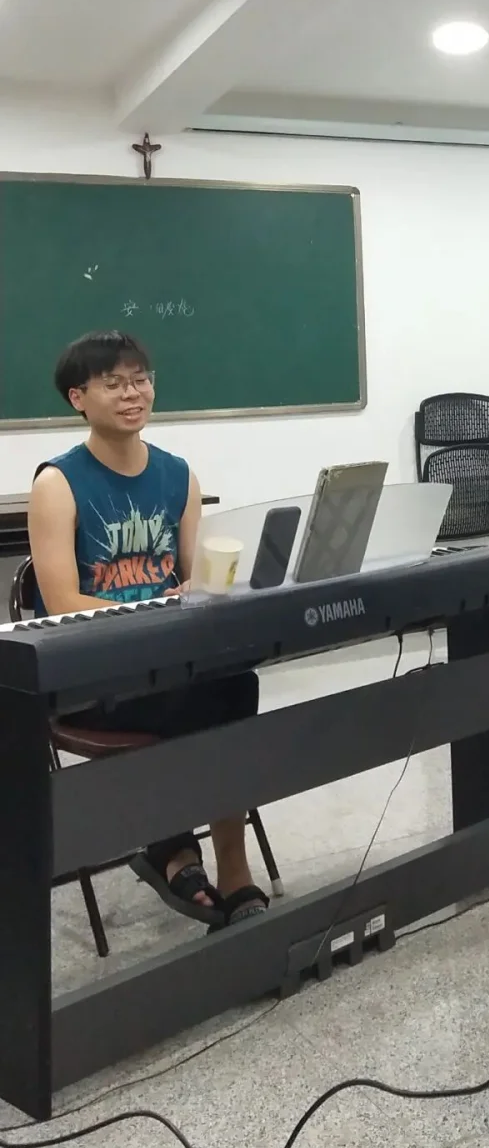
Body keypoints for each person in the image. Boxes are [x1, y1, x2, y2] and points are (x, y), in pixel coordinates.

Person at [28, 330, 269, 928]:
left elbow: (196, 577)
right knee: (212, 699)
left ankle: (218, 861)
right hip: (95, 673)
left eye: (141, 380)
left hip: (170, 663)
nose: (132, 393)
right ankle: (174, 843)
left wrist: (200, 588)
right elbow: (61, 604)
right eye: (113, 383)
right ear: (78, 397)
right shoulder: (57, 484)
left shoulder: (178, 475)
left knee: (233, 683)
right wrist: (158, 613)